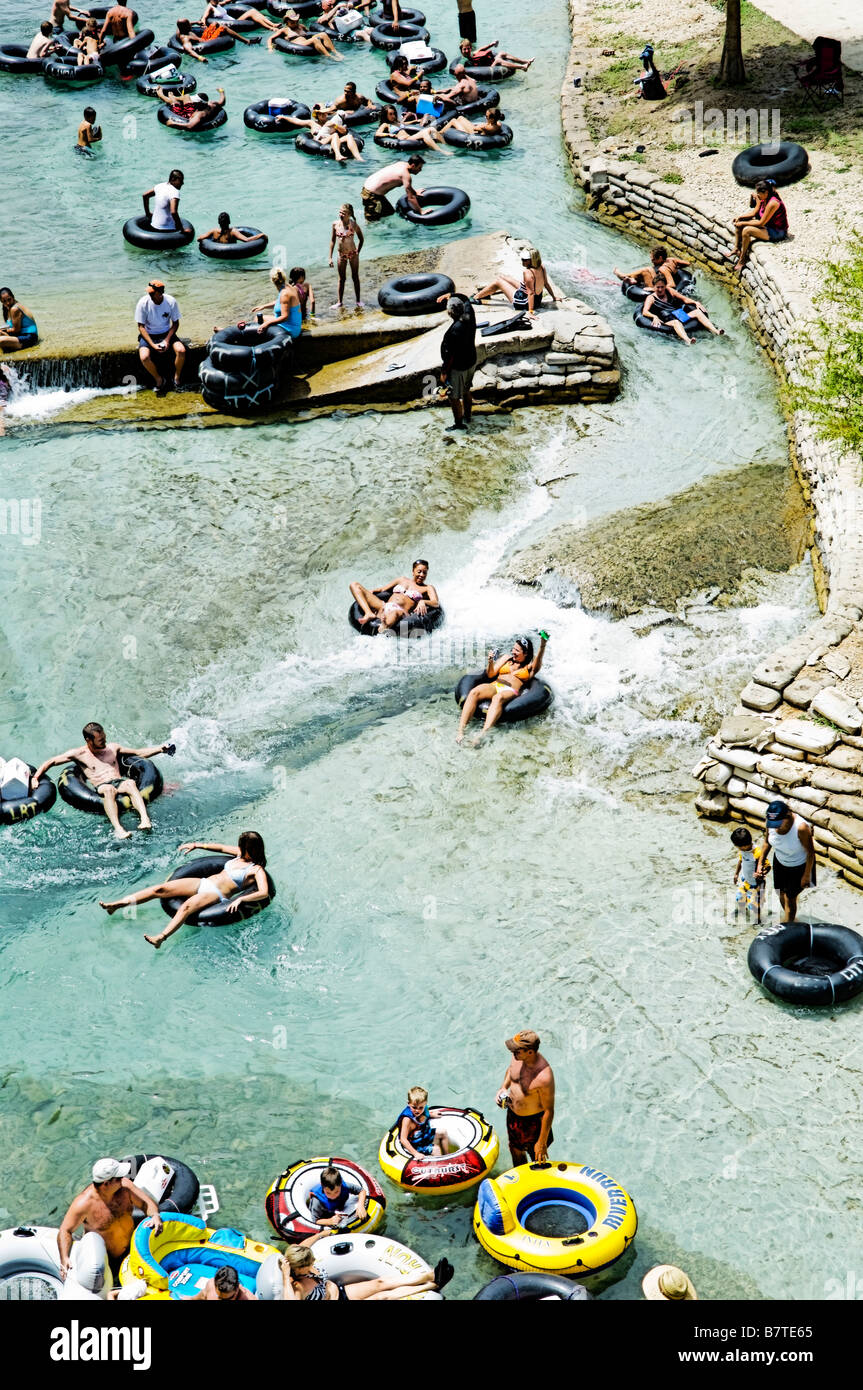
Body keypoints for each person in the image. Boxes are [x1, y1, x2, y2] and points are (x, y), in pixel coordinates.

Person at [99, 831, 270, 948]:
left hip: (216, 894)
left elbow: (263, 892)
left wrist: (241, 899)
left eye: (243, 846)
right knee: (160, 889)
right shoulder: (239, 854)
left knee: (186, 907)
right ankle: (117, 905)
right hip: (202, 882)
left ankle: (161, 937)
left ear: (252, 849)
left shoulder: (256, 870)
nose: (240, 848)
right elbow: (220, 848)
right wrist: (197, 845)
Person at [32, 721, 174, 839]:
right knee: (108, 789)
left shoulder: (112, 748)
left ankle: (144, 819)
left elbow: (139, 753)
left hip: (119, 781)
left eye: (104, 738)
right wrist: (36, 777)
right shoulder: (79, 754)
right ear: (89, 740)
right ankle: (118, 829)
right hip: (102, 785)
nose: (105, 742)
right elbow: (51, 762)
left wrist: (160, 749)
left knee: (130, 783)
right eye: (100, 740)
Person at [58, 1159, 163, 1286]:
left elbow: (147, 1204)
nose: (123, 1179)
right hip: (108, 1260)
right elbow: (65, 1230)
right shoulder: (84, 1204)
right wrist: (64, 1258)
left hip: (134, 1246)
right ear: (106, 1183)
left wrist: (155, 1215)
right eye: (118, 1178)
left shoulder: (125, 1187)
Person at [280, 1235, 453, 1301]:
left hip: (341, 1292)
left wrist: (322, 1233)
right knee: (381, 1297)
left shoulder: (300, 1257)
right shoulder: (297, 1287)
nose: (313, 1264)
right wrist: (286, 1278)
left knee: (380, 1282)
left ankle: (430, 1275)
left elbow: (304, 1246)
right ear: (300, 1269)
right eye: (309, 1264)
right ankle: (432, 1286)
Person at [456, 633, 548, 744]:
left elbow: (538, 661)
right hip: (496, 685)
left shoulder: (529, 667)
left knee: (498, 697)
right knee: (474, 692)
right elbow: (491, 674)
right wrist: (490, 662)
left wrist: (543, 644)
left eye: (517, 651)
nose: (513, 652)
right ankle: (461, 732)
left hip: (510, 690)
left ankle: (482, 734)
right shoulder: (506, 658)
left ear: (526, 654)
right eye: (513, 649)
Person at [496, 1029, 555, 1165]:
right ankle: (519, 1180)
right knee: (515, 1149)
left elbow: (549, 1111)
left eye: (517, 1051)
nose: (513, 1053)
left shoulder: (544, 1076)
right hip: (513, 1116)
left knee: (537, 1157)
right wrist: (503, 1088)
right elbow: (511, 1071)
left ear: (530, 1052)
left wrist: (542, 1141)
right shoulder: (517, 1057)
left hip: (533, 1123)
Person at [759, 800, 815, 925]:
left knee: (790, 898)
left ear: (788, 816)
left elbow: (811, 853)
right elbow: (767, 842)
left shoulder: (801, 828)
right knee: (780, 892)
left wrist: (806, 875)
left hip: (798, 866)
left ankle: (789, 924)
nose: (775, 826)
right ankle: (790, 917)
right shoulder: (770, 823)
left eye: (778, 823)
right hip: (780, 862)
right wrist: (760, 863)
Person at [472, 245, 561, 318]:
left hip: (523, 302)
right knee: (504, 277)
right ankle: (486, 293)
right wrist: (554, 297)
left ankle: (476, 298)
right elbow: (546, 283)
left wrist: (530, 312)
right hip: (537, 300)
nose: (522, 261)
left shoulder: (528, 273)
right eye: (522, 259)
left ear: (531, 260)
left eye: (524, 260)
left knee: (498, 281)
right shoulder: (541, 267)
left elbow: (530, 293)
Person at [349, 559, 439, 631]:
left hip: (400, 611)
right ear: (413, 571)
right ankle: (369, 613)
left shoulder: (427, 588)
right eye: (419, 571)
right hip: (384, 605)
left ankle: (384, 626)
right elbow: (383, 589)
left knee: (396, 612)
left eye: (425, 572)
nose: (421, 575)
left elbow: (435, 603)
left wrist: (423, 601)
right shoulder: (402, 579)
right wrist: (370, 592)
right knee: (354, 585)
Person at [134, 279, 185, 395]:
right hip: (148, 334)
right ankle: (159, 380)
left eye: (152, 293)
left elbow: (176, 323)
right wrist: (153, 345)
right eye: (149, 293)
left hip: (166, 333)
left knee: (181, 351)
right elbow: (141, 327)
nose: (150, 295)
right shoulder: (143, 303)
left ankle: (176, 379)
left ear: (160, 292)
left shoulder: (170, 301)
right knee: (144, 357)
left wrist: (166, 340)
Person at [642, 276, 724, 344]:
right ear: (654, 287)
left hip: (679, 315)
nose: (660, 289)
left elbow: (684, 299)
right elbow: (645, 311)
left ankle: (716, 331)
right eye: (658, 287)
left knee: (697, 312)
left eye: (662, 287)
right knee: (676, 322)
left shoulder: (669, 291)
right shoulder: (651, 298)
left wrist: (696, 302)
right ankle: (688, 340)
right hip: (668, 321)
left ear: (665, 286)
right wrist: (654, 316)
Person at [729, 179, 789, 272]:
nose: (757, 194)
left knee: (747, 230)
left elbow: (761, 223)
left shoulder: (773, 203)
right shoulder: (763, 199)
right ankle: (736, 249)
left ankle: (742, 258)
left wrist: (744, 223)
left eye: (759, 193)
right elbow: (754, 212)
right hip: (768, 226)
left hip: (777, 232)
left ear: (766, 192)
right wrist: (740, 218)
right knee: (740, 225)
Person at [440, 295, 476, 433]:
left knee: (454, 397)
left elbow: (449, 357)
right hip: (471, 361)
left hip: (458, 368)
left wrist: (444, 373)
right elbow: (466, 299)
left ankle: (459, 423)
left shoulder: (453, 332)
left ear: (450, 312)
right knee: (466, 390)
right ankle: (468, 416)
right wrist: (452, 295)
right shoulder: (469, 315)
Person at [361, 155, 424, 222]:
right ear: (413, 166)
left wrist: (415, 192)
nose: (420, 170)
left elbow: (409, 188)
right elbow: (411, 198)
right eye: (419, 168)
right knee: (372, 221)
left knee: (389, 213)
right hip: (371, 195)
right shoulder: (405, 175)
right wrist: (421, 211)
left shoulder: (401, 164)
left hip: (371, 189)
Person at [397, 1086, 450, 1158]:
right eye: (414, 1107)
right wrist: (415, 1154)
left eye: (421, 1108)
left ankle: (448, 1156)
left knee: (443, 1132)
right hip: (414, 1144)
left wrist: (431, 1114)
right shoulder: (407, 1120)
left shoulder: (424, 1108)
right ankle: (441, 1165)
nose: (417, 1111)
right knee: (436, 1149)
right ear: (408, 1103)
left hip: (423, 1136)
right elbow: (403, 1139)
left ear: (425, 1104)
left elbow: (423, 1115)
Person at [329, 203, 364, 308]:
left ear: (349, 214)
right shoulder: (335, 224)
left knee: (355, 277)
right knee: (341, 279)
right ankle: (339, 302)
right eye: (340, 212)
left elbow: (361, 239)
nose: (341, 214)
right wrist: (330, 257)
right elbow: (332, 241)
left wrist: (358, 251)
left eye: (343, 213)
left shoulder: (353, 225)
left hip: (353, 254)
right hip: (341, 255)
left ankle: (358, 301)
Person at [376, 104, 451, 154]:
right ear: (385, 115)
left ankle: (446, 145)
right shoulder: (385, 124)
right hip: (404, 140)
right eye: (390, 114)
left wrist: (415, 121)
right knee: (425, 133)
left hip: (409, 137)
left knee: (432, 129)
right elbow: (377, 134)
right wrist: (389, 134)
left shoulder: (396, 122)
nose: (393, 116)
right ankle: (441, 151)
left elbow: (404, 124)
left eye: (394, 113)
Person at [252, 267, 303, 339]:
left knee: (259, 320)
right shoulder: (289, 287)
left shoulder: (284, 294)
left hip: (290, 330)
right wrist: (263, 306)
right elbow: (281, 302)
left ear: (272, 280)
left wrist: (266, 324)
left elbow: (284, 317)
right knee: (257, 318)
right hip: (293, 325)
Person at [613, 245, 691, 291]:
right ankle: (632, 279)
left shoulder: (663, 269)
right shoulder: (672, 260)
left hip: (657, 288)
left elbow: (672, 285)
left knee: (646, 271)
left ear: (660, 258)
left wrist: (653, 289)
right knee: (650, 270)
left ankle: (624, 276)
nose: (652, 261)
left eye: (653, 259)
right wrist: (676, 267)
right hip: (660, 279)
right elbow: (688, 263)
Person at [267, 14, 343, 59]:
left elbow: (308, 33)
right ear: (287, 22)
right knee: (315, 40)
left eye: (296, 21)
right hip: (299, 44)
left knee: (323, 34)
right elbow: (270, 38)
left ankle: (336, 52)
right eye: (292, 22)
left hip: (306, 41)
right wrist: (270, 48)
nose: (295, 23)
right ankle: (329, 56)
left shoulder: (301, 26)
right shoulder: (285, 30)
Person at [731, 825, 769, 916]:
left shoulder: (757, 853)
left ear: (745, 845)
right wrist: (736, 873)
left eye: (738, 847)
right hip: (745, 879)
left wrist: (761, 873)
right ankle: (742, 912)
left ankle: (758, 920)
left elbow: (768, 866)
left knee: (755, 905)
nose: (738, 848)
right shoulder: (743, 850)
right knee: (740, 898)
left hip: (757, 884)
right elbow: (741, 860)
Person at [143, 168, 185, 234]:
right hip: (167, 230)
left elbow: (145, 195)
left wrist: (147, 213)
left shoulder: (159, 186)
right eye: (180, 180)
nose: (182, 183)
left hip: (153, 226)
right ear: (173, 179)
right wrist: (182, 230)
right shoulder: (175, 192)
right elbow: (173, 212)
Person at [457, 36, 533, 71]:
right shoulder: (463, 60)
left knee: (502, 53)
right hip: (485, 70)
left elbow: (481, 49)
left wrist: (491, 44)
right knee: (497, 60)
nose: (467, 51)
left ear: (470, 48)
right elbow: (458, 70)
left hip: (486, 66)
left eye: (468, 48)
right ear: (461, 50)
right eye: (464, 49)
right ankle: (522, 67)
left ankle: (525, 61)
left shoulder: (471, 54)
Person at [0, 288, 39, 354]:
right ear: (1, 301)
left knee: (1, 341)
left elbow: (16, 330)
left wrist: (3, 331)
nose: (8, 303)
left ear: (13, 297)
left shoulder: (14, 309)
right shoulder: (7, 308)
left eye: (9, 299)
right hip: (21, 335)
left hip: (30, 337)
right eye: (4, 301)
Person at [190, 1265, 258, 1299]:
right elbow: (200, 1297)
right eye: (219, 1297)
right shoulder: (211, 1285)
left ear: (237, 1288)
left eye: (229, 1299)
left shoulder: (248, 1298)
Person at [439, 106, 505, 140]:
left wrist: (483, 125)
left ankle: (440, 133)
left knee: (453, 120)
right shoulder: (498, 124)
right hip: (476, 132)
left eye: (487, 116)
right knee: (460, 118)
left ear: (492, 119)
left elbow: (475, 128)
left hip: (472, 135)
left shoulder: (487, 127)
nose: (485, 117)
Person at [200, 1, 278, 30]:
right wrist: (203, 24)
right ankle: (270, 27)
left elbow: (225, 2)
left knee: (253, 11)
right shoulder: (210, 7)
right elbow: (204, 17)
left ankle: (272, 25)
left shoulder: (218, 4)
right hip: (232, 22)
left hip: (233, 20)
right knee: (251, 12)